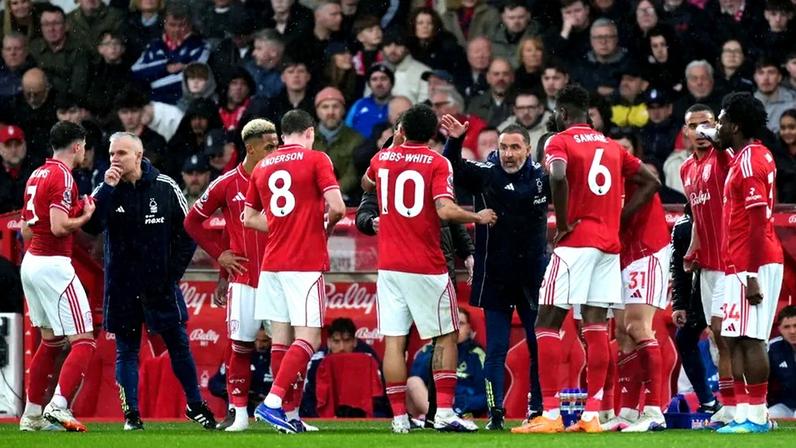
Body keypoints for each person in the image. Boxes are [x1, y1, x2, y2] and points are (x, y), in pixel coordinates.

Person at [514, 84, 660, 434]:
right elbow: (651, 181)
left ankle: (550, 415)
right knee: (596, 327)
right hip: (609, 246)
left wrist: (563, 223)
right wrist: (618, 218)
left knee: (546, 323)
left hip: (576, 242)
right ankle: (593, 414)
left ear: (563, 113)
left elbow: (558, 174)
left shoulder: (558, 140)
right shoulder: (611, 146)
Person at [362, 104, 497, 433]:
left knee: (394, 341)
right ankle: (444, 414)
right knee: (446, 336)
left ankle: (398, 419)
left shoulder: (382, 159)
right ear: (433, 134)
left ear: (402, 130)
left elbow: (367, 185)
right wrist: (476, 217)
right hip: (426, 264)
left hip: (390, 265)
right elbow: (445, 210)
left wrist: (394, 147)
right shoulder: (438, 162)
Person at [84, 132, 216, 431]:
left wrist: (171, 274)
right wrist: (107, 187)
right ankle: (132, 415)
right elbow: (92, 226)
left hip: (160, 287)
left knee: (179, 346)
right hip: (122, 288)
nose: (114, 159)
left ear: (139, 157)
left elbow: (189, 232)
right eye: (112, 153)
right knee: (127, 351)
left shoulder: (165, 187)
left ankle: (195, 405)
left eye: (121, 154)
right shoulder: (106, 189)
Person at [441, 116, 549, 430]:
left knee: (537, 345)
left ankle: (538, 410)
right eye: (504, 147)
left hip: (533, 277)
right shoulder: (485, 175)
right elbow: (451, 169)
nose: (509, 153)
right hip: (496, 277)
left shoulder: (543, 176)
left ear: (528, 149)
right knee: (497, 348)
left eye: (515, 147)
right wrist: (456, 140)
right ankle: (495, 414)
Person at [243, 109, 346, 434]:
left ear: (282, 135)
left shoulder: (262, 167)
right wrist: (322, 227)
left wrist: (280, 227)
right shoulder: (317, 159)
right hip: (303, 263)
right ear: (310, 132)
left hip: (272, 263)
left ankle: (288, 415)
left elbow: (248, 217)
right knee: (310, 337)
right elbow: (339, 207)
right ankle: (272, 403)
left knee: (281, 340)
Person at [184, 118, 278, 431]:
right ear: (250, 148)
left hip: (279, 276)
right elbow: (192, 221)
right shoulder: (226, 183)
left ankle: (288, 414)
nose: (276, 150)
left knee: (284, 347)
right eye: (270, 145)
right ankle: (239, 415)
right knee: (240, 346)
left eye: (276, 143)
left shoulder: (283, 178)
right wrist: (220, 256)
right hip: (244, 278)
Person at [18, 121, 97, 432]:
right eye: (84, 146)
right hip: (53, 264)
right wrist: (86, 215)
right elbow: (58, 226)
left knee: (50, 342)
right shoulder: (63, 176)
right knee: (85, 341)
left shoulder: (36, 173)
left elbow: (26, 228)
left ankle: (32, 415)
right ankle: (59, 406)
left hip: (32, 262)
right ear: (77, 146)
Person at [715, 91, 784, 434]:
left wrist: (751, 273)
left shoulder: (749, 162)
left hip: (751, 262)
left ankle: (757, 416)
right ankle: (744, 413)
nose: (718, 125)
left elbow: (758, 223)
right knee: (736, 337)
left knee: (752, 337)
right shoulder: (751, 155)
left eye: (723, 119)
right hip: (739, 261)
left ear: (736, 124)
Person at [602, 132, 673, 432]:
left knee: (637, 326)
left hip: (648, 249)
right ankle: (629, 412)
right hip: (621, 254)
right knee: (622, 333)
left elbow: (651, 185)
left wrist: (616, 221)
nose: (620, 154)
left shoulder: (639, 177)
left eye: (626, 149)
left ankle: (654, 410)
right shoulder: (606, 180)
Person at [678, 103, 734, 427]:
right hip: (707, 264)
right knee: (716, 336)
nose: (700, 132)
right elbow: (699, 216)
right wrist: (693, 247)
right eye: (693, 126)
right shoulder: (687, 169)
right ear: (684, 131)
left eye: (707, 124)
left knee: (725, 333)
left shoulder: (723, 158)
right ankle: (729, 405)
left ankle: (742, 403)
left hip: (730, 261)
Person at [670, 203, 719, 416]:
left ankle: (745, 403)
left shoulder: (723, 219)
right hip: (700, 288)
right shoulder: (682, 228)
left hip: (727, 280)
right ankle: (709, 402)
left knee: (731, 341)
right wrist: (679, 304)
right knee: (685, 338)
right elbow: (679, 268)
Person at [407, 309, 487, 419]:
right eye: (450, 323)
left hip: (463, 410)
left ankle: (441, 418)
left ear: (469, 329)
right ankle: (439, 418)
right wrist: (435, 348)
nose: (455, 328)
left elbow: (486, 396)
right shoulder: (429, 349)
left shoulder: (477, 354)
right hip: (431, 405)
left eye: (460, 324)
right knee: (412, 382)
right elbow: (414, 384)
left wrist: (457, 401)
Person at [301, 317, 389, 418]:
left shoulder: (368, 358)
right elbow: (310, 395)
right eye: (336, 341)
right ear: (329, 342)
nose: (342, 347)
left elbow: (378, 394)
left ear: (355, 341)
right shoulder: (318, 360)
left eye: (347, 341)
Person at [130, 2, 210, 104]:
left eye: (181, 25)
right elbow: (135, 72)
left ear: (189, 25)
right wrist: (166, 67)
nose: (176, 30)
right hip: (153, 104)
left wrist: (153, 82)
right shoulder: (154, 45)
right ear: (164, 24)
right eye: (172, 25)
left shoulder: (200, 46)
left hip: (184, 102)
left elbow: (193, 78)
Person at [0, 124, 40, 213]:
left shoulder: (38, 172)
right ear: (0, 148)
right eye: (8, 145)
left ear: (25, 145)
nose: (14, 150)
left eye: (18, 144)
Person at [346, 63, 393, 138]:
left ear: (391, 83)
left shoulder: (399, 105)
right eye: (374, 79)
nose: (379, 83)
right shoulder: (359, 104)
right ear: (369, 84)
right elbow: (346, 131)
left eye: (383, 78)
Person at [768, 305, 796, 418]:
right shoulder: (773, 348)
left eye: (795, 326)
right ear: (779, 329)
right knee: (766, 416)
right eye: (787, 327)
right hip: (786, 404)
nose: (792, 331)